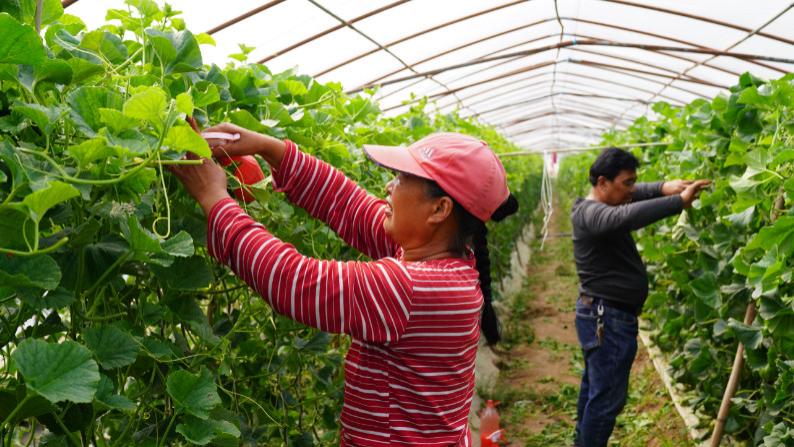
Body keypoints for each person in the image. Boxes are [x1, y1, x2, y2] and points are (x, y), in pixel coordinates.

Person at [170, 125, 519, 446]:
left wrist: (214, 199)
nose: (388, 187)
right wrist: (270, 148)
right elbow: (348, 205)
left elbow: (293, 282)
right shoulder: (445, 259)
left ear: (439, 209)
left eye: (399, 178)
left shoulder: (413, 288)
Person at [571, 148, 710, 447]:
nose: (632, 190)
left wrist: (663, 187)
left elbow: (631, 197)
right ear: (603, 183)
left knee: (596, 391)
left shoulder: (604, 199)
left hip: (604, 316)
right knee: (606, 400)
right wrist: (676, 202)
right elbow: (625, 216)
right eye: (627, 183)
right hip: (606, 319)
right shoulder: (591, 213)